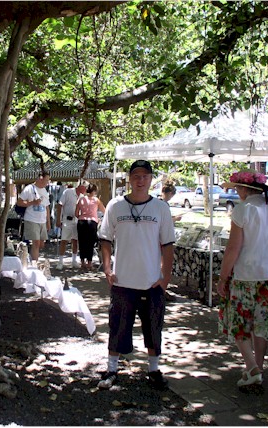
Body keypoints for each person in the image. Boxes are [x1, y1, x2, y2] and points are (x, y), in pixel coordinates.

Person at [97, 160, 175, 390]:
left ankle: (154, 370)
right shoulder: (115, 205)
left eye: (145, 176)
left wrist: (165, 278)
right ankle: (112, 368)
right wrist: (107, 268)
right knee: (118, 326)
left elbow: (168, 244)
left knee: (153, 327)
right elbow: (105, 238)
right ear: (129, 179)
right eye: (136, 176)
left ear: (151, 179)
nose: (140, 181)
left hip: (152, 282)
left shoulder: (161, 208)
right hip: (122, 280)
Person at [216, 169, 268, 388]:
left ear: (245, 189)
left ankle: (252, 366)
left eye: (237, 188)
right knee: (263, 325)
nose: (237, 192)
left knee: (239, 322)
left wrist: (222, 277)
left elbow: (233, 248)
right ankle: (257, 366)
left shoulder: (243, 209)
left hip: (246, 276)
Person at [17, 171, 51, 263]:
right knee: (36, 242)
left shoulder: (44, 190)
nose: (47, 183)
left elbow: (47, 207)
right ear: (40, 178)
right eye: (46, 180)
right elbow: (19, 202)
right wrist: (32, 203)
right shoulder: (29, 188)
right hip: (31, 219)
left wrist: (48, 222)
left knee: (41, 244)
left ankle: (30, 257)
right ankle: (34, 264)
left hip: (42, 220)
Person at [55, 182, 86, 270]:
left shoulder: (82, 196)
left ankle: (74, 261)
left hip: (77, 220)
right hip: (67, 219)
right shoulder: (68, 192)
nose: (85, 190)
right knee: (64, 240)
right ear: (80, 186)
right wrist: (58, 219)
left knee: (75, 241)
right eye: (84, 187)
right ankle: (60, 262)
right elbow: (60, 205)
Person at [75, 183, 106, 270]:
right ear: (94, 191)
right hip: (92, 222)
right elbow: (104, 211)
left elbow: (76, 213)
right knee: (90, 243)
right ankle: (89, 263)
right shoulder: (96, 200)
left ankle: (82, 262)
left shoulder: (81, 199)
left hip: (81, 222)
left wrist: (81, 216)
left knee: (82, 242)